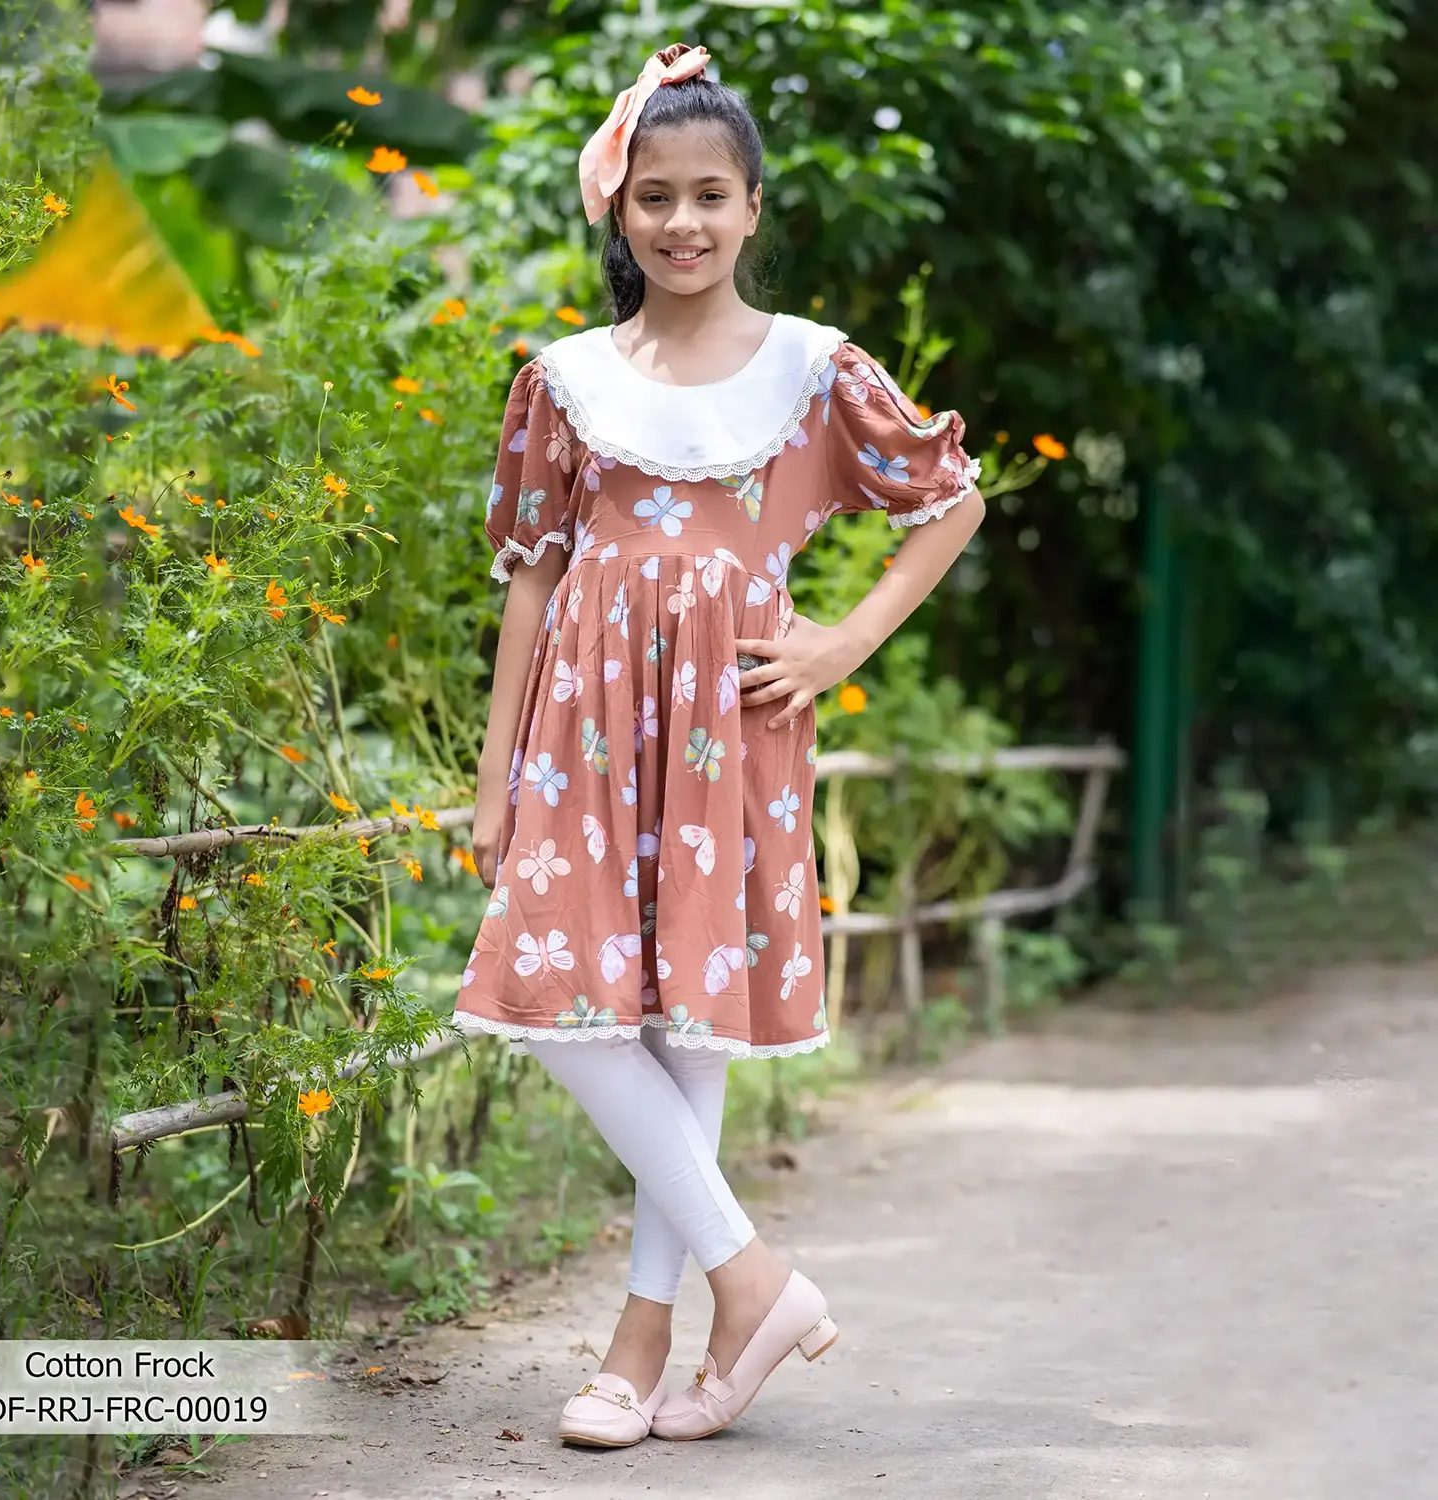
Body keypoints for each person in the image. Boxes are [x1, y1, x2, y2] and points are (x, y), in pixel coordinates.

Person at [457, 42, 985, 1448]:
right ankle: (751, 1280)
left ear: (753, 207)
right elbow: (532, 579)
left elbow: (949, 505)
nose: (681, 222)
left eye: (709, 195)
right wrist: (495, 774)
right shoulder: (567, 378)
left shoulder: (813, 368)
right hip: (579, 729)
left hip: (728, 727)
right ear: (617, 211)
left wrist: (839, 645)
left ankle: (643, 1347)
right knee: (553, 997)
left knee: (683, 1017)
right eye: (654, 197)